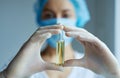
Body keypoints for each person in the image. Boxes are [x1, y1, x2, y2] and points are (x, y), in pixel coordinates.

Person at [0, 0, 120, 78]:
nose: (58, 22)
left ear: (78, 18)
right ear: (40, 19)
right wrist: (6, 76)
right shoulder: (22, 64)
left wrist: (115, 74)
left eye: (66, 15)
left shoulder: (93, 68)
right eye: (49, 15)